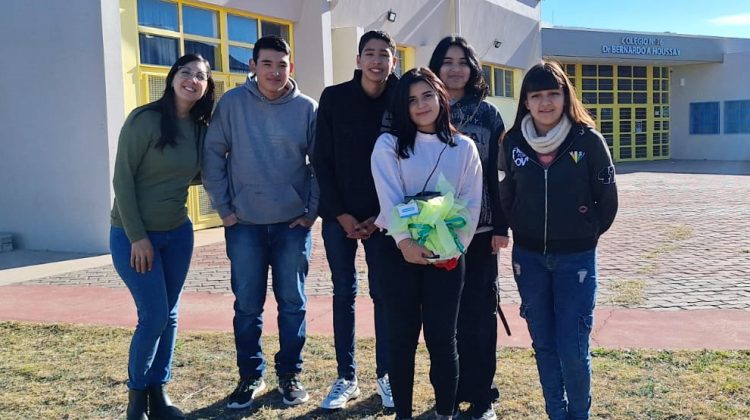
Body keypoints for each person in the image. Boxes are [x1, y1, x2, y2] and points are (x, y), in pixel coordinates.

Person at [202, 35, 318, 409]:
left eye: (281, 64)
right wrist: (225, 209)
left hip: (291, 226)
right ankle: (250, 376)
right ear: (252, 66)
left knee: (292, 304)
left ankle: (290, 375)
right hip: (245, 225)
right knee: (247, 306)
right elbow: (213, 155)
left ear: (291, 67)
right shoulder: (233, 103)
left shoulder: (306, 109)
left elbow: (320, 164)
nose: (274, 71)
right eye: (266, 63)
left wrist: (310, 210)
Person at [498, 60, 618, 420]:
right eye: (536, 95)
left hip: (575, 261)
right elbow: (506, 194)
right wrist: (520, 226)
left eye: (553, 93)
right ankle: (556, 413)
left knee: (573, 346)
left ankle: (578, 415)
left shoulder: (587, 140)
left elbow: (607, 202)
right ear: (526, 101)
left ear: (566, 96)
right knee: (545, 345)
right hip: (529, 259)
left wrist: (582, 234)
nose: (545, 102)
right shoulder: (514, 141)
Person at [371, 67, 483, 420]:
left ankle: (445, 413)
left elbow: (471, 203)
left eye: (427, 96)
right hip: (397, 256)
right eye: (411, 100)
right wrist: (405, 244)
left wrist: (450, 249)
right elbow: (389, 199)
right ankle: (403, 414)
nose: (420, 105)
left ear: (441, 97)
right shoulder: (388, 145)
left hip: (447, 259)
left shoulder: (463, 148)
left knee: (442, 340)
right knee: (401, 340)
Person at [110, 54, 214, 420]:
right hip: (133, 234)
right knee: (153, 315)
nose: (192, 80)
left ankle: (159, 393)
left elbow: (202, 175)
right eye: (186, 73)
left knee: (169, 315)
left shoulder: (201, 129)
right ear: (172, 78)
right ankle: (136, 397)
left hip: (177, 233)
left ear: (206, 88)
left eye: (200, 77)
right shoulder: (144, 120)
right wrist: (138, 237)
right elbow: (122, 180)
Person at [314, 30, 398, 410]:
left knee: (385, 295)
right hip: (340, 216)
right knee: (343, 292)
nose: (377, 61)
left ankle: (388, 376)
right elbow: (322, 160)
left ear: (394, 60)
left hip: (386, 217)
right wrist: (340, 213)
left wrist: (383, 216)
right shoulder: (334, 98)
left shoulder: (403, 96)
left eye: (384, 54)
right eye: (370, 53)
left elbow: (409, 161)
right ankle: (346, 376)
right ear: (358, 59)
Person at [429, 36, 507, 420]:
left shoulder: (488, 114)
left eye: (462, 61)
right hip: (436, 230)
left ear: (473, 68)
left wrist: (501, 228)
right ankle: (450, 390)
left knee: (480, 313)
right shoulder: (426, 107)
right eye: (447, 61)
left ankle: (481, 395)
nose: (455, 68)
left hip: (480, 229)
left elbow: (497, 174)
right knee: (446, 316)